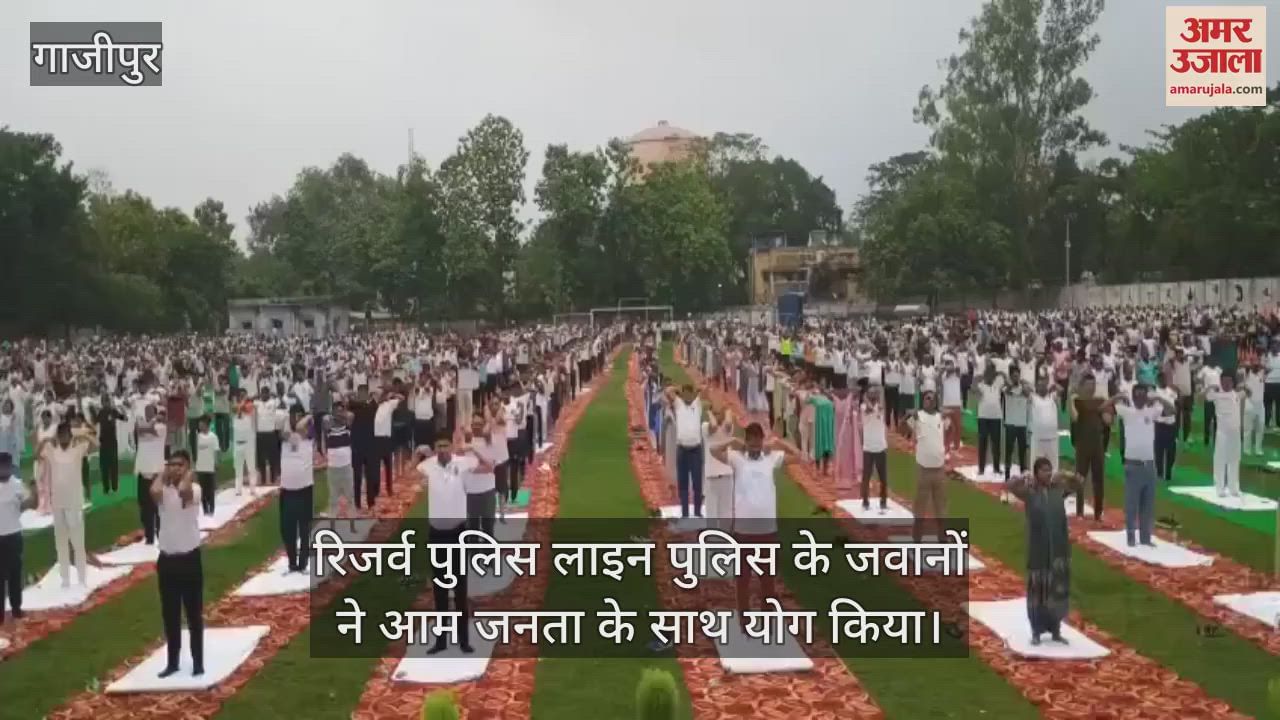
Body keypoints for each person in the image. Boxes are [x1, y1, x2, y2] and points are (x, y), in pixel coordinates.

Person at [709, 423, 788, 624]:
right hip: (743, 531)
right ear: (746, 442)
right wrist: (732, 440)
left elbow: (801, 457)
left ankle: (767, 620)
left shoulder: (771, 458)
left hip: (767, 530)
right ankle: (744, 621)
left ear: (762, 441)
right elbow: (713, 450)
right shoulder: (737, 459)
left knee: (767, 580)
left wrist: (778, 442)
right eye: (751, 443)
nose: (755, 447)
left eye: (758, 442)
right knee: (742, 579)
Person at [417, 435, 488, 655]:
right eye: (439, 446)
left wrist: (472, 449)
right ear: (435, 448)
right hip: (436, 534)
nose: (442, 449)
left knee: (459, 588)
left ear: (451, 446)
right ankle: (441, 640)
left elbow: (488, 467)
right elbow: (414, 473)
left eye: (445, 445)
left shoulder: (462, 462)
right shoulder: (428, 465)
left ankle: (463, 640)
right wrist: (417, 453)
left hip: (457, 533)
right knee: (439, 589)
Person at [1007, 458, 1083, 646]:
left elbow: (1079, 483)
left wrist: (1065, 474)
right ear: (1036, 473)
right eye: (1043, 470)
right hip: (1039, 549)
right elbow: (1010, 485)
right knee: (1038, 591)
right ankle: (1036, 632)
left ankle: (1056, 630)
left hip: (1058, 549)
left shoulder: (1058, 490)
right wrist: (1023, 477)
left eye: (1049, 470)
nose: (1047, 473)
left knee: (1057, 590)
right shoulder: (1030, 492)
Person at [152, 449, 204, 678]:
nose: (174, 468)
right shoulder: (163, 490)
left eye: (179, 464)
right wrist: (163, 474)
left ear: (188, 467)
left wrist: (187, 475)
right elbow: (153, 491)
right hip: (167, 560)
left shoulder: (195, 488)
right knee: (170, 614)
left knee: (193, 614)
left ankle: (198, 661)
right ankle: (172, 662)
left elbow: (184, 492)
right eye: (171, 464)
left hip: (189, 559)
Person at [1113, 383, 1176, 547]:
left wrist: (1159, 398)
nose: (1140, 398)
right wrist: (1117, 397)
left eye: (1143, 395)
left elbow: (1172, 411)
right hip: (1133, 465)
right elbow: (1103, 409)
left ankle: (1145, 538)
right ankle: (1131, 537)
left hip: (1149, 464)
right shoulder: (1127, 411)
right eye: (1137, 395)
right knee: (1132, 504)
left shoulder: (1152, 411)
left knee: (1147, 505)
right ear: (1133, 397)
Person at [37, 421, 98, 587]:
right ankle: (65, 579)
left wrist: (82, 433)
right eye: (60, 435)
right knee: (61, 542)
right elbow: (37, 454)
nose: (63, 438)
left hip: (74, 502)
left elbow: (96, 445)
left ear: (70, 436)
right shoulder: (52, 451)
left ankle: (82, 578)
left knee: (78, 541)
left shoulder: (77, 450)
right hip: (58, 502)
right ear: (58, 436)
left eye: (66, 435)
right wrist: (46, 439)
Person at [900, 390, 949, 544]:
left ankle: (942, 537)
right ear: (923, 401)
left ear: (936, 402)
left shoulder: (941, 417)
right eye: (927, 398)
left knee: (940, 505)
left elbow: (950, 428)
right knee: (920, 506)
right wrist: (906, 416)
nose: (929, 401)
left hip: (939, 468)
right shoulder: (918, 416)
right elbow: (902, 430)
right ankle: (917, 538)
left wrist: (945, 448)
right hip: (924, 469)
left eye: (932, 399)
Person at [1068, 375, 1108, 521]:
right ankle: (1079, 512)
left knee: (1099, 479)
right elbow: (1074, 417)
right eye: (1088, 384)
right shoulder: (1078, 401)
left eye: (1093, 384)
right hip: (1083, 444)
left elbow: (1107, 420)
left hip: (1097, 444)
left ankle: (1098, 512)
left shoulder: (1099, 401)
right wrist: (1070, 399)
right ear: (1082, 386)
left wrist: (1108, 406)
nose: (1091, 387)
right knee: (1080, 478)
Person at [279, 414, 315, 573]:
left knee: (304, 528)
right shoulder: (286, 438)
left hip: (305, 489)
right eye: (294, 417)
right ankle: (292, 562)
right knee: (287, 529)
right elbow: (284, 432)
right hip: (287, 490)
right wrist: (290, 420)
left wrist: (308, 416)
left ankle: (303, 562)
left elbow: (301, 428)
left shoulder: (309, 437)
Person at [0, 452, 32, 623]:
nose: (4, 470)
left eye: (7, 467)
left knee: (14, 574)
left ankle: (16, 608)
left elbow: (28, 502)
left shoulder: (17, 485)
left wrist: (30, 499)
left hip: (14, 535)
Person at [665, 383, 705, 519]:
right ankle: (685, 512)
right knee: (683, 484)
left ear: (693, 394)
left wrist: (698, 389)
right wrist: (677, 389)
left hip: (695, 450)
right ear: (682, 394)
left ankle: (697, 511)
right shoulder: (678, 404)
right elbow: (668, 391)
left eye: (690, 393)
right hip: (682, 449)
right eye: (685, 393)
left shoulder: (697, 404)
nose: (687, 396)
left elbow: (705, 390)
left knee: (697, 482)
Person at [1204, 374, 1244, 498]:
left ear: (1233, 383)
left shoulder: (1236, 394)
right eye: (1224, 381)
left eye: (1229, 381)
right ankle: (1219, 488)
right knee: (1220, 460)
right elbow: (1203, 397)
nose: (1227, 384)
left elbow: (1249, 392)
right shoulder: (1216, 395)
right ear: (1220, 382)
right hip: (1222, 432)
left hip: (1235, 432)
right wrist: (1211, 386)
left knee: (1234, 459)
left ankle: (1234, 487)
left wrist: (1242, 384)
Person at [463, 412, 502, 536]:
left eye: (480, 424)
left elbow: (490, 468)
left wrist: (475, 452)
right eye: (474, 424)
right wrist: (480, 465)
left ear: (484, 425)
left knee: (488, 529)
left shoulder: (491, 443)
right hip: (471, 492)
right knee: (472, 530)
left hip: (487, 491)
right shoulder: (465, 443)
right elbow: (468, 467)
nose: (476, 427)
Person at [135, 405, 166, 544]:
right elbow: (140, 430)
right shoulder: (144, 426)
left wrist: (153, 421)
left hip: (155, 473)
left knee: (156, 507)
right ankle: (149, 536)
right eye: (146, 412)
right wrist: (151, 422)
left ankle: (160, 534)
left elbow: (150, 430)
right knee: (143, 505)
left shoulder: (162, 428)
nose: (147, 414)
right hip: (143, 471)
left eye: (150, 412)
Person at [702, 404, 735, 531]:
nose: (716, 416)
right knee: (711, 515)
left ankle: (725, 540)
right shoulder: (705, 427)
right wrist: (709, 412)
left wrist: (727, 409)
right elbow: (714, 426)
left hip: (727, 475)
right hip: (711, 477)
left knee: (726, 515)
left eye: (718, 413)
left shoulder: (728, 430)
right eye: (714, 414)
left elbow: (728, 423)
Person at [324, 404, 357, 531]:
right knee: (333, 499)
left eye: (341, 411)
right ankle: (332, 527)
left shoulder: (347, 426)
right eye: (336, 411)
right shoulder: (329, 427)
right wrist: (336, 416)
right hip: (333, 469)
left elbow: (351, 415)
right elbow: (325, 419)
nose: (339, 414)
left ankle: (352, 527)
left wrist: (340, 415)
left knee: (350, 498)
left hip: (346, 467)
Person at [974, 363, 1006, 477]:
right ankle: (981, 468)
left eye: (992, 372)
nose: (990, 375)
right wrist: (981, 377)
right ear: (986, 373)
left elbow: (1008, 383)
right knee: (982, 443)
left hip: (996, 417)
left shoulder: (998, 384)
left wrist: (1001, 374)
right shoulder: (981, 385)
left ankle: (996, 468)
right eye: (988, 372)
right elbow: (973, 388)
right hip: (983, 417)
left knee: (996, 443)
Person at [860, 387, 889, 512]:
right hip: (868, 447)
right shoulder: (863, 407)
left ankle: (883, 501)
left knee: (883, 478)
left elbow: (876, 409)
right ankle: (865, 501)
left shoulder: (881, 407)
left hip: (880, 447)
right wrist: (865, 399)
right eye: (870, 393)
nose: (873, 395)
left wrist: (866, 397)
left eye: (874, 394)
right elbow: (869, 410)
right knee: (866, 477)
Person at [93, 393, 127, 495]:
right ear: (102, 402)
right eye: (103, 401)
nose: (105, 403)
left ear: (109, 401)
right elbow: (94, 422)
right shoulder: (100, 412)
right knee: (104, 466)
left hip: (112, 441)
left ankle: (115, 487)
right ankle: (106, 488)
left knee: (113, 465)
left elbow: (124, 418)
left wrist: (123, 409)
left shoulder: (113, 411)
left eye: (107, 401)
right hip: (103, 442)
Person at [232, 392, 257, 497]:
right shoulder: (234, 408)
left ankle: (253, 489)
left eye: (244, 396)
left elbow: (246, 408)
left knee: (251, 467)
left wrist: (246, 401)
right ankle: (238, 490)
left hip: (248, 444)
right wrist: (244, 399)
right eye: (241, 396)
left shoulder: (250, 407)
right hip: (237, 444)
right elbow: (236, 409)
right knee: (238, 469)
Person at [194, 416, 219, 516]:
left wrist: (216, 462)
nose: (200, 426)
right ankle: (205, 510)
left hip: (210, 467)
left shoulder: (213, 437)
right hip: (200, 467)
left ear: (206, 425)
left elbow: (216, 450)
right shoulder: (198, 436)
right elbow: (196, 451)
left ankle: (211, 509)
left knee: (210, 490)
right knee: (202, 491)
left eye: (201, 424)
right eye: (199, 424)